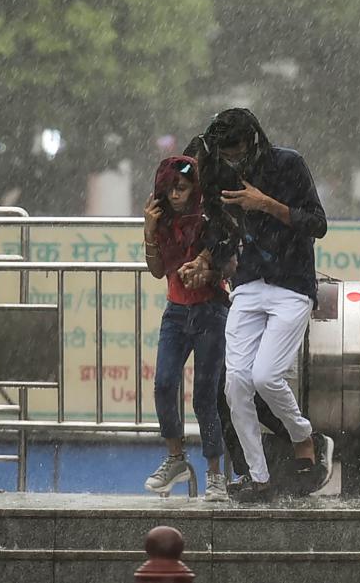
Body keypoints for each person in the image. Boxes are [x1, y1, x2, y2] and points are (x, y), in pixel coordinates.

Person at [180, 108, 333, 502]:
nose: (231, 161)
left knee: (266, 376)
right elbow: (224, 232)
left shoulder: (288, 163)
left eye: (236, 153)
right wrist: (206, 259)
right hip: (248, 283)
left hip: (291, 284)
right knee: (235, 383)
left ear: (252, 142)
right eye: (225, 155)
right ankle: (257, 475)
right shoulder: (219, 173)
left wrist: (266, 203)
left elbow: (318, 224)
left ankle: (305, 438)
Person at [142, 156, 230, 502]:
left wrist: (206, 271)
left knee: (205, 395)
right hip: (176, 313)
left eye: (181, 187)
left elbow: (226, 264)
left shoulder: (210, 219)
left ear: (195, 188)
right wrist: (149, 231)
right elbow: (156, 269)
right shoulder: (163, 222)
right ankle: (175, 458)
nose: (175, 195)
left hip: (210, 311)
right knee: (164, 383)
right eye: (169, 189)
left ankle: (215, 475)